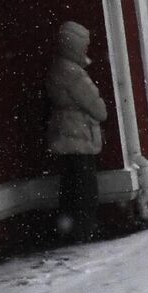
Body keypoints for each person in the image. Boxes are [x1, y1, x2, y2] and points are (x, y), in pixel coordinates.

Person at [45, 21, 107, 241]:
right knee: (84, 186)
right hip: (78, 133)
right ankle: (84, 228)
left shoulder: (58, 68)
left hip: (66, 132)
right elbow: (98, 108)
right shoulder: (74, 73)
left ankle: (72, 229)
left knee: (71, 185)